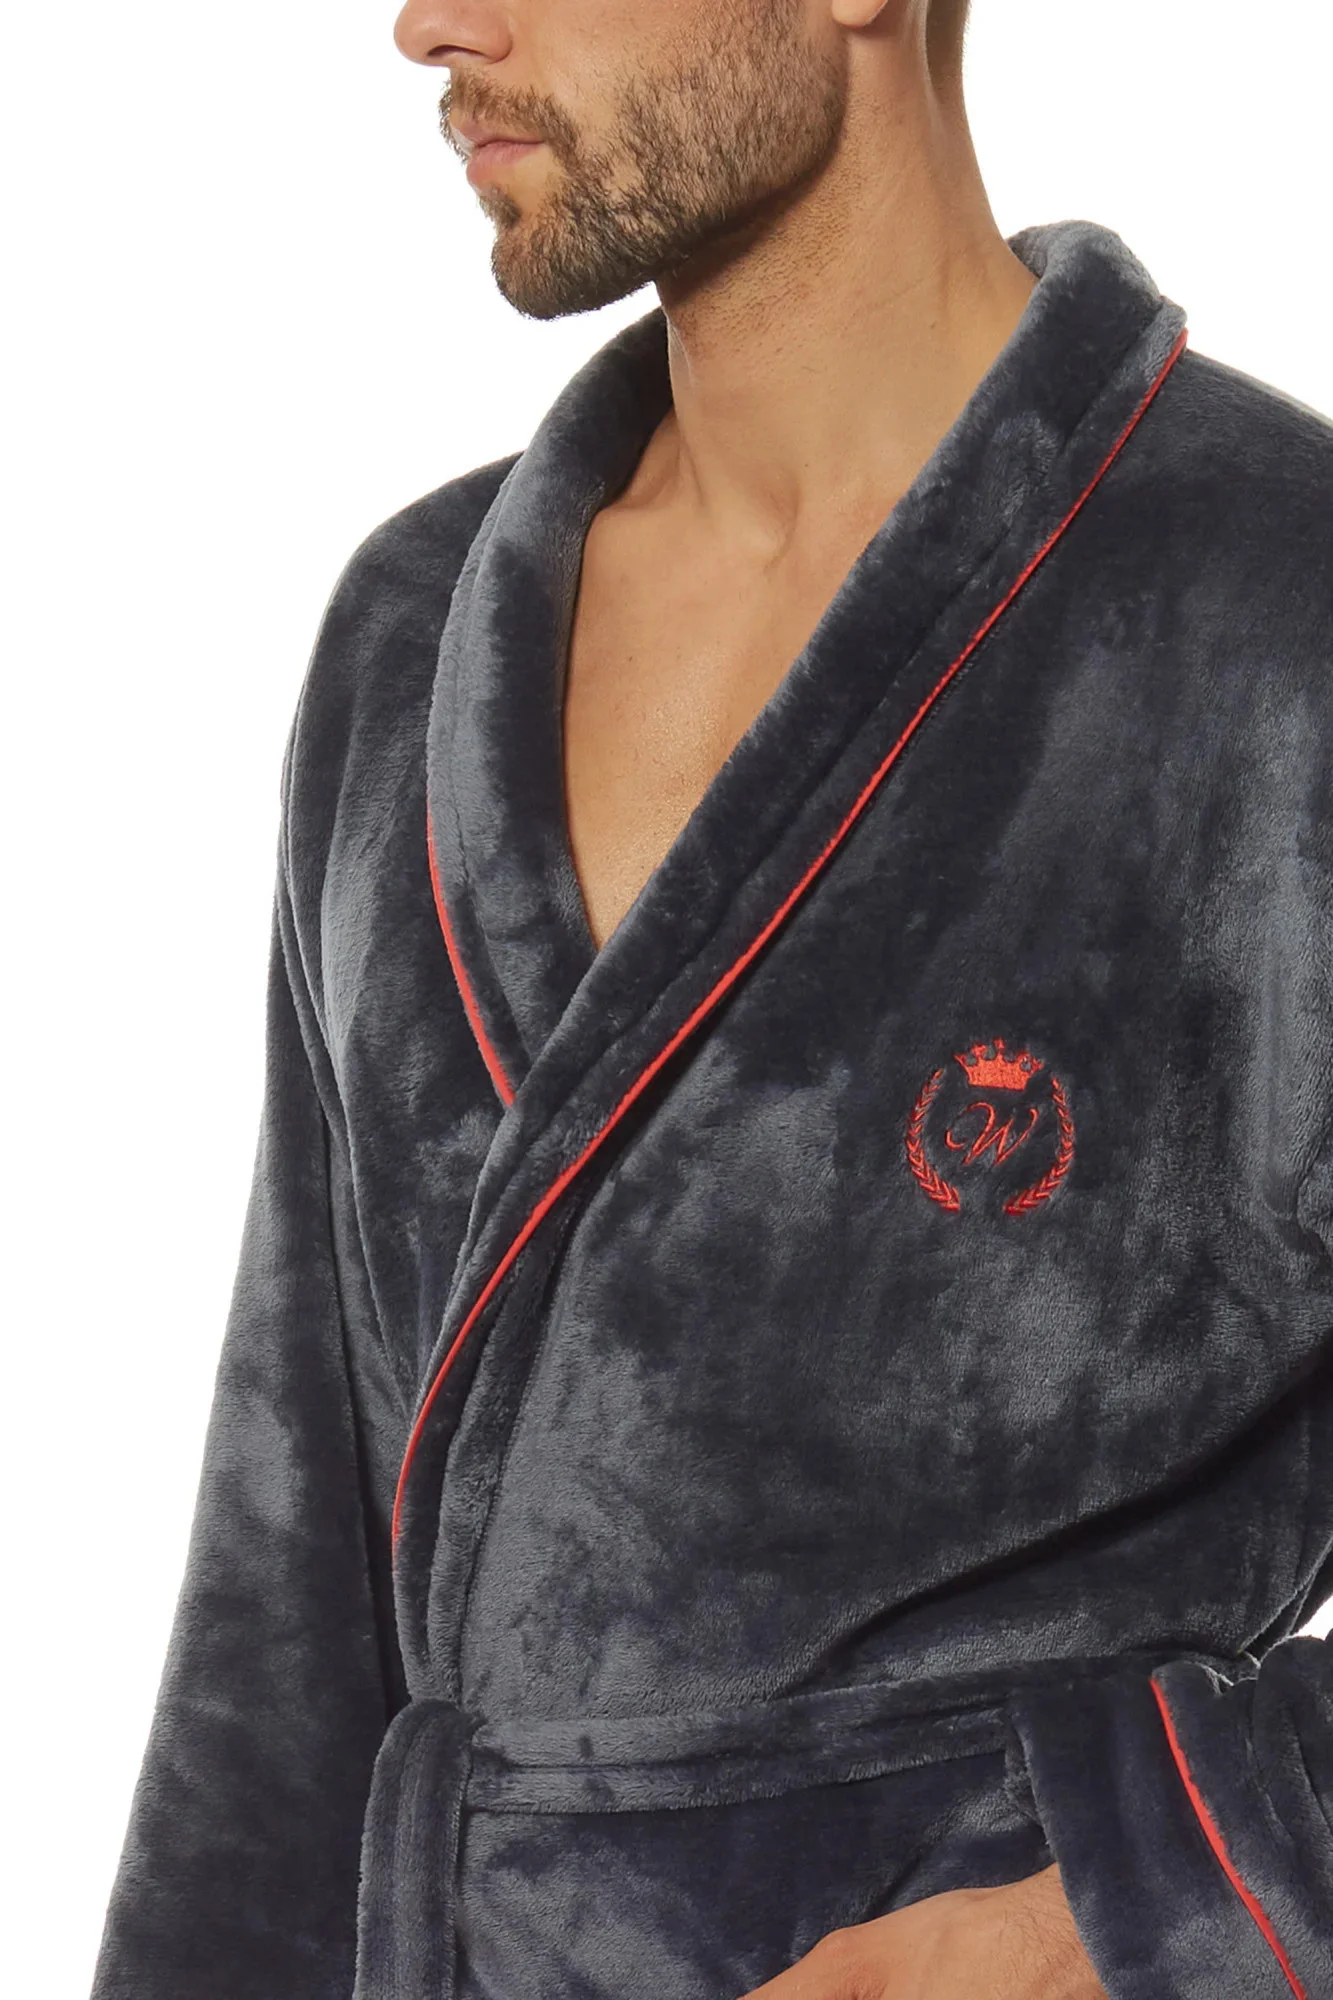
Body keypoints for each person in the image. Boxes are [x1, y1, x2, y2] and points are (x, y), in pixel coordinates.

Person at [91, 1, 1333, 1995]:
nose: (427, 23)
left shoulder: (1275, 615)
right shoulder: (413, 636)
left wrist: (1101, 1918)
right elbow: (283, 1608)